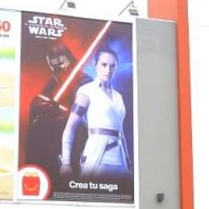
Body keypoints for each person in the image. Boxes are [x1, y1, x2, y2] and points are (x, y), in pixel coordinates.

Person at [59, 47, 131, 179]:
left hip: (120, 159)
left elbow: (121, 131)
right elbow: (70, 128)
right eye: (104, 65)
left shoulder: (118, 96)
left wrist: (127, 159)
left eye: (112, 66)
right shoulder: (86, 91)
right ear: (95, 64)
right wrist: (66, 163)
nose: (108, 70)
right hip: (97, 154)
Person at [24, 44, 90, 177]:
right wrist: (40, 108)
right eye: (53, 64)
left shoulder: (86, 83)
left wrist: (61, 115)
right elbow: (39, 102)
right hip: (50, 146)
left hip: (76, 141)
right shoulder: (53, 83)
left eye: (61, 62)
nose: (58, 68)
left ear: (70, 60)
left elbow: (88, 120)